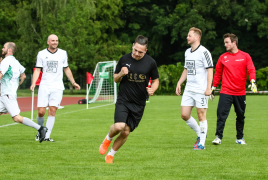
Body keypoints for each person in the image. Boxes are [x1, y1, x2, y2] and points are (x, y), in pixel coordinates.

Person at [99, 35, 159, 163]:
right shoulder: (124, 59)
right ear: (133, 45)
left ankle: (111, 154)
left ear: (145, 51)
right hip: (124, 100)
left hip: (139, 103)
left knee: (126, 132)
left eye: (140, 52)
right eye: (135, 50)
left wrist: (153, 89)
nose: (136, 54)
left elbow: (156, 81)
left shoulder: (151, 63)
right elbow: (115, 79)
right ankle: (108, 138)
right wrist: (121, 73)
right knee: (119, 126)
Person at [30, 34, 80, 142]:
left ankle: (46, 136)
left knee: (52, 111)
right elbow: (38, 70)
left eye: (56, 40)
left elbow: (66, 69)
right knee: (41, 112)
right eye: (53, 40)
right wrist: (33, 83)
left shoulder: (63, 53)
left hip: (57, 86)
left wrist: (73, 82)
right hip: (44, 85)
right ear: (48, 42)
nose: (55, 42)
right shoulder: (41, 54)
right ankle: (40, 131)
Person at [211, 33, 256, 145]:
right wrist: (213, 87)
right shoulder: (223, 57)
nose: (225, 45)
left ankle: (239, 138)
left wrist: (253, 81)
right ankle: (218, 137)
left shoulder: (245, 56)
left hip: (240, 92)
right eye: (224, 42)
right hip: (226, 91)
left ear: (234, 43)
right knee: (221, 114)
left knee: (240, 116)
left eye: (227, 42)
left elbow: (251, 69)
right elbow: (218, 74)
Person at [0, 42, 47, 143]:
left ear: (9, 50)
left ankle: (40, 128)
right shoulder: (16, 62)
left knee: (16, 118)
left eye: (4, 47)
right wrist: (17, 85)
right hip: (8, 93)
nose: (2, 49)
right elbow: (23, 76)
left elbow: (1, 75)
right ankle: (41, 128)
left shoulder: (5, 61)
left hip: (7, 93)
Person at [175, 27, 213, 150]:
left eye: (189, 35)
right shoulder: (187, 52)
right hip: (189, 89)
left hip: (201, 90)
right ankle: (200, 134)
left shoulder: (204, 52)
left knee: (201, 115)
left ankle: (201, 143)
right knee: (184, 115)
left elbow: (210, 70)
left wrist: (208, 88)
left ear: (197, 37)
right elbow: (186, 69)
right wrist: (179, 83)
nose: (187, 37)